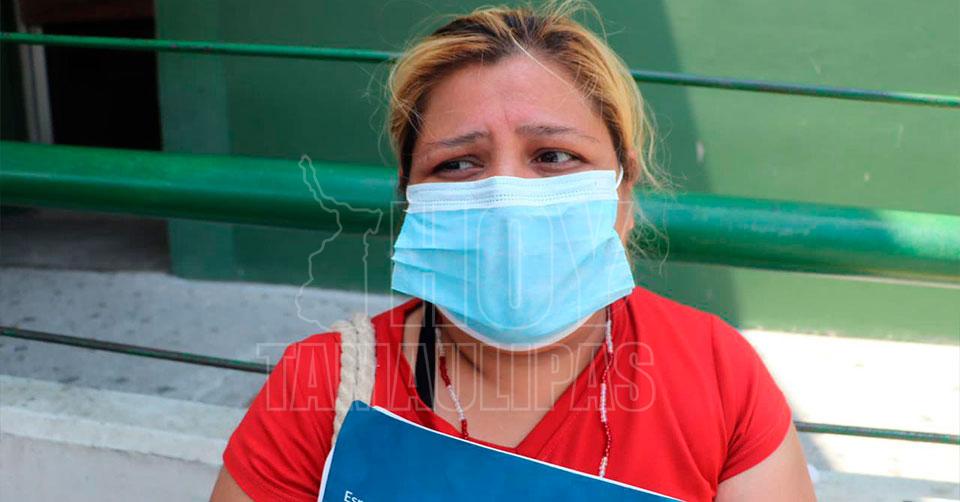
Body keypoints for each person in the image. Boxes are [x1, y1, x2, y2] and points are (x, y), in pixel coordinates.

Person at [211, 2, 815, 500]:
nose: (507, 201)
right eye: (458, 164)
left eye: (553, 156)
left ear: (622, 192)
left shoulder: (717, 376)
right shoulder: (323, 387)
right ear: (411, 201)